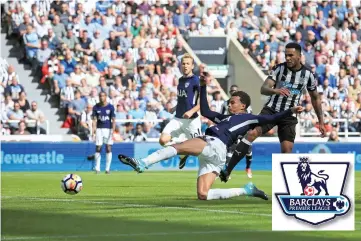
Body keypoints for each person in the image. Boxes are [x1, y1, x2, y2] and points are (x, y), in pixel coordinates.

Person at [118, 74, 304, 200]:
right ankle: (246, 190)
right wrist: (203, 87)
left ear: (243, 105)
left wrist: (290, 110)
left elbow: (271, 117)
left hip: (215, 143)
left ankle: (143, 163)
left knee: (178, 146)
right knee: (203, 194)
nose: (230, 105)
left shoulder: (249, 117)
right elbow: (205, 110)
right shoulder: (226, 117)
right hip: (217, 155)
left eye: (233, 102)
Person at [219, 42, 326, 183]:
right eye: (286, 55)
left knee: (287, 150)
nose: (287, 58)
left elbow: (315, 98)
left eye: (291, 55)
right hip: (271, 110)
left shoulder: (308, 75)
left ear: (299, 56)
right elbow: (263, 88)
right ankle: (228, 169)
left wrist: (321, 121)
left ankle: (284, 186)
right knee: (251, 133)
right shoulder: (279, 69)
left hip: (289, 114)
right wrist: (275, 90)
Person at [158, 53, 201, 170]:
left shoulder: (196, 80)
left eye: (188, 64)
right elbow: (183, 99)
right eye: (183, 64)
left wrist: (191, 112)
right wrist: (175, 108)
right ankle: (182, 151)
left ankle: (220, 168)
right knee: (162, 140)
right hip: (178, 118)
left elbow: (202, 102)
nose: (185, 66)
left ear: (192, 66)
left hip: (192, 121)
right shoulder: (181, 80)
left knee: (199, 150)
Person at [221, 84, 253, 178]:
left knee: (248, 150)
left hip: (243, 129)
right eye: (231, 91)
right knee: (230, 151)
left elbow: (250, 116)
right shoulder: (225, 104)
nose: (233, 92)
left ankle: (248, 168)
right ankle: (227, 171)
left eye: (235, 91)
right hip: (231, 129)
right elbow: (221, 116)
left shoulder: (245, 104)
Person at [92, 91, 116, 174]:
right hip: (99, 129)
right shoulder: (96, 107)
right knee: (98, 147)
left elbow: (113, 120)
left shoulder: (110, 107)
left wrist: (113, 130)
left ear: (106, 97)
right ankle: (97, 168)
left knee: (108, 147)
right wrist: (93, 130)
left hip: (108, 129)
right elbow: (94, 120)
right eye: (100, 96)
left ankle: (107, 169)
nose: (101, 97)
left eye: (103, 96)